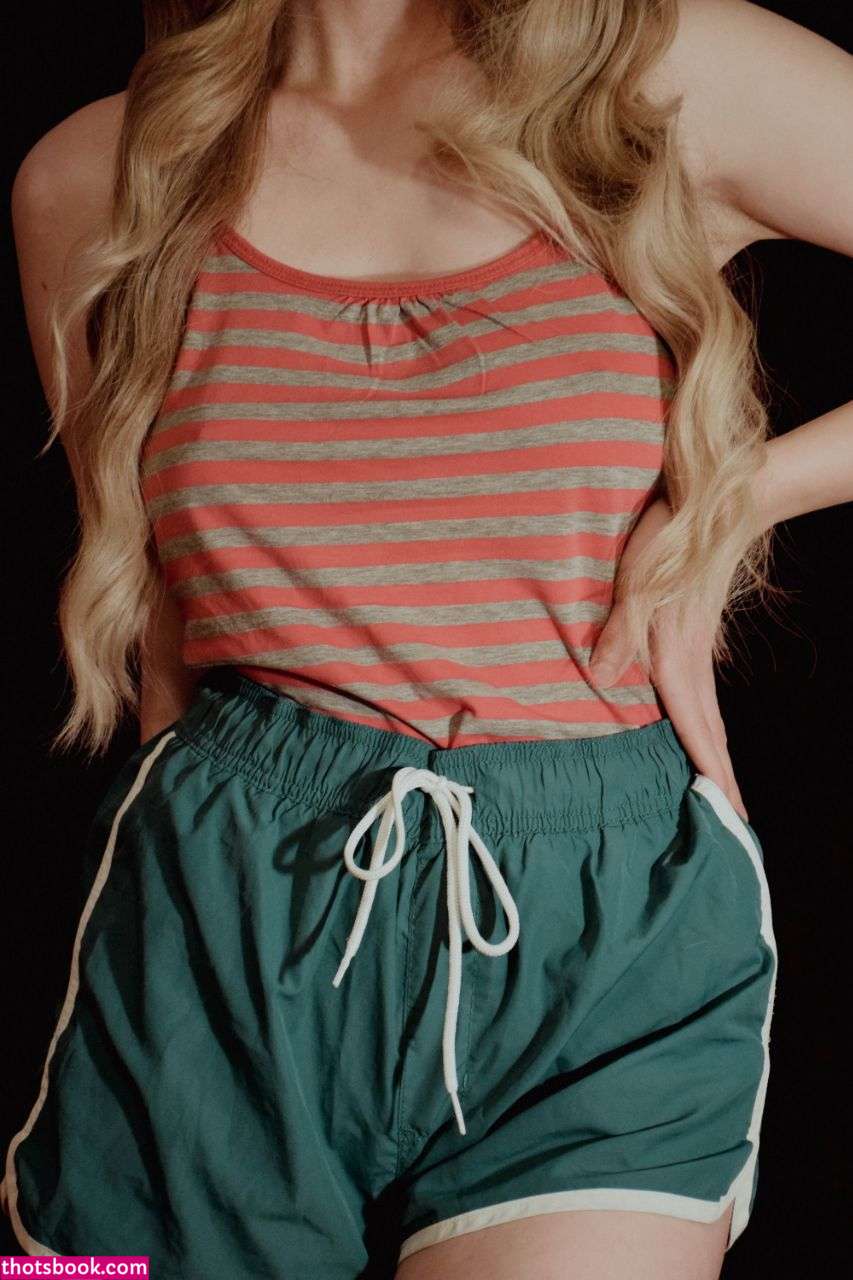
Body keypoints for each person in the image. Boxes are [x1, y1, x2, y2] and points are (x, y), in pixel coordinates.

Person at [2, 1, 851, 1276]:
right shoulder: (91, 176)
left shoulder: (657, 62)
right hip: (224, 905)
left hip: (608, 925)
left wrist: (736, 500)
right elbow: (162, 629)